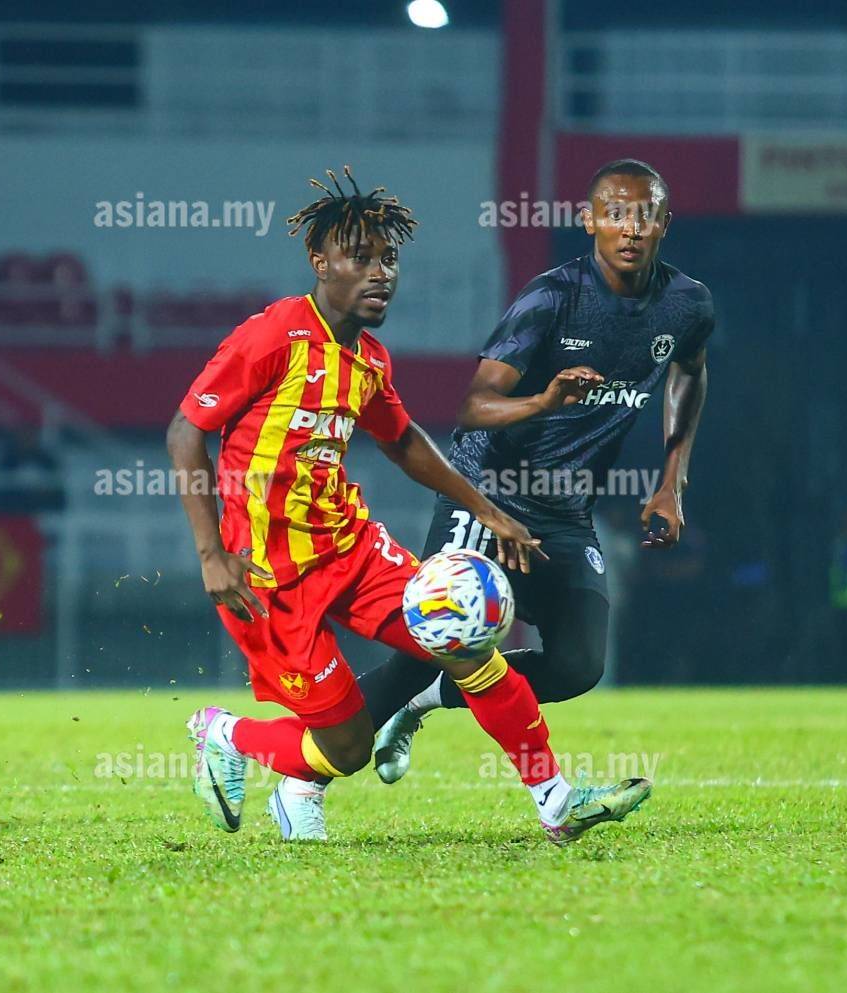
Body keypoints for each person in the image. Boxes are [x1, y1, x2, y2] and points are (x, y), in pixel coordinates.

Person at [167, 168, 652, 843]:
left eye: (389, 259)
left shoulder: (368, 358)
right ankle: (223, 733)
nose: (380, 273)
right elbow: (185, 431)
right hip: (269, 576)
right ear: (319, 262)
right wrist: (210, 554)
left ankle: (556, 801)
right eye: (360, 257)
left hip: (352, 549)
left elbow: (402, 441)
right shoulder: (274, 334)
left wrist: (486, 509)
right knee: (345, 747)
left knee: (465, 642)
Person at [365, 159, 712, 783]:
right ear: (589, 221)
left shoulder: (687, 304)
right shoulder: (552, 297)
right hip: (487, 493)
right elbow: (474, 406)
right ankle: (296, 771)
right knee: (422, 651)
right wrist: (545, 402)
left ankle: (421, 704)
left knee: (579, 665)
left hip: (565, 512)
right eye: (615, 213)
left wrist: (671, 482)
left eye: (644, 215)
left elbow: (690, 369)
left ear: (664, 223)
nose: (631, 228)